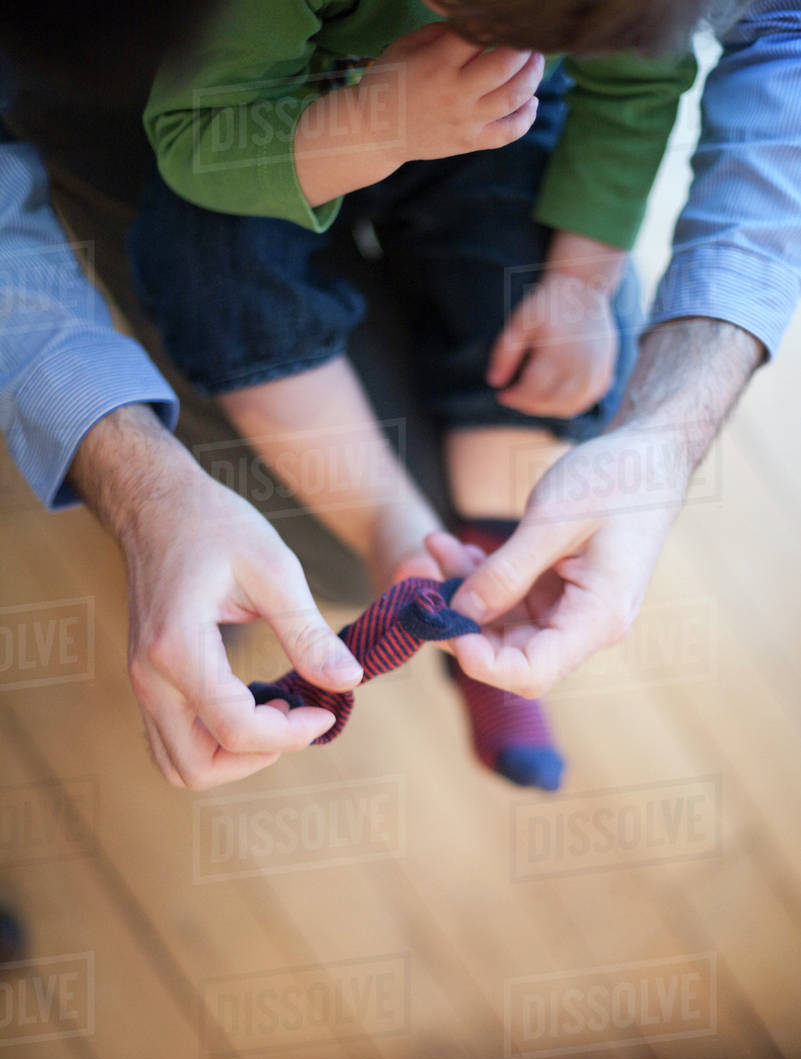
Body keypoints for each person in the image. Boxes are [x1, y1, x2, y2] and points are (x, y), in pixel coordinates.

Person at [1, 1, 799, 792]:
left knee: (534, 301)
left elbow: (640, 90)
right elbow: (197, 138)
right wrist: (376, 126)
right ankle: (394, 536)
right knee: (211, 270)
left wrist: (578, 285)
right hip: (274, 142)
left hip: (487, 137)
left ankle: (471, 592)